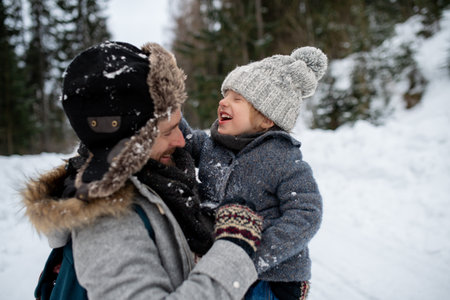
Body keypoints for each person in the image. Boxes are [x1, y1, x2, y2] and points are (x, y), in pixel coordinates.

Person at [22, 41, 263, 299]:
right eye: (168, 131)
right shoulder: (107, 223)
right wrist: (235, 248)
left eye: (179, 125)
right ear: (129, 144)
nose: (181, 141)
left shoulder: (160, 178)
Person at [180, 47, 326, 300]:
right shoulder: (210, 145)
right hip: (224, 269)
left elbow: (307, 213)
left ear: (267, 119)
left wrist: (258, 253)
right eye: (225, 95)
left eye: (237, 99)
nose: (223, 102)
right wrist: (162, 101)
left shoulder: (283, 159)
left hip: (272, 280)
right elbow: (181, 136)